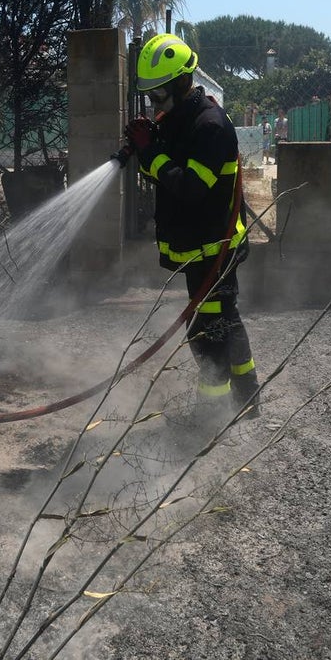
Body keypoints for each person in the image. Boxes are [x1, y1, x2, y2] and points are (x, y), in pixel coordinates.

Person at [123, 34, 259, 417]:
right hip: (201, 247)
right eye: (150, 97)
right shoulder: (181, 121)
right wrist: (149, 143)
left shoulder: (209, 126)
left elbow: (191, 188)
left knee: (207, 335)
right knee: (224, 321)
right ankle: (247, 403)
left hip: (215, 249)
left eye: (159, 95)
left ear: (183, 81)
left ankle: (210, 419)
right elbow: (168, 172)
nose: (155, 104)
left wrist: (151, 152)